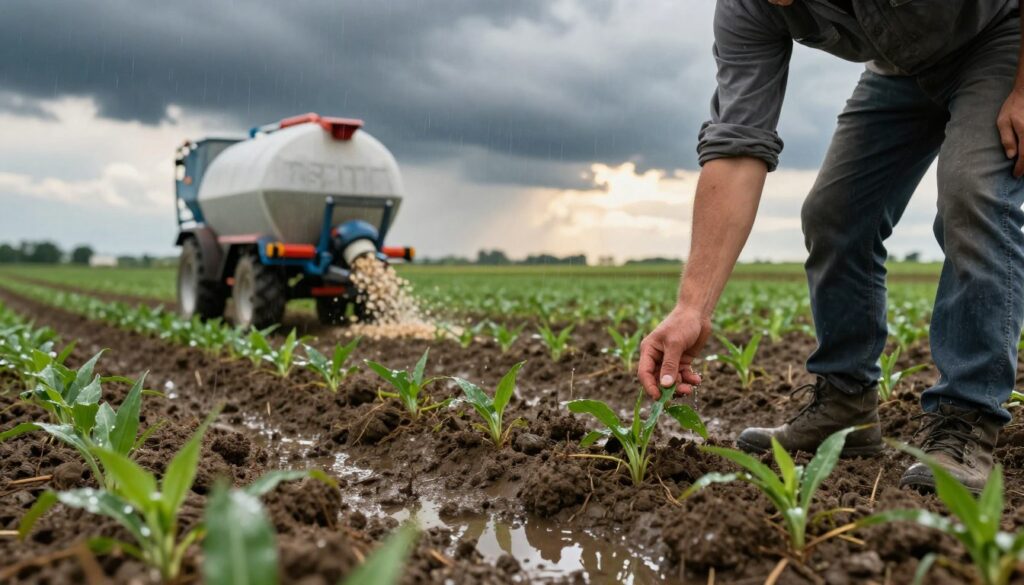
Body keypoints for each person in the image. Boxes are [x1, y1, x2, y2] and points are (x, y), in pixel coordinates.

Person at [638, 0, 1024, 493]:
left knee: (973, 195)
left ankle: (966, 419)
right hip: (900, 68)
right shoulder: (745, 9)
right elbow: (737, 147)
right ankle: (846, 404)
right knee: (834, 214)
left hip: (997, 40)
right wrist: (691, 306)